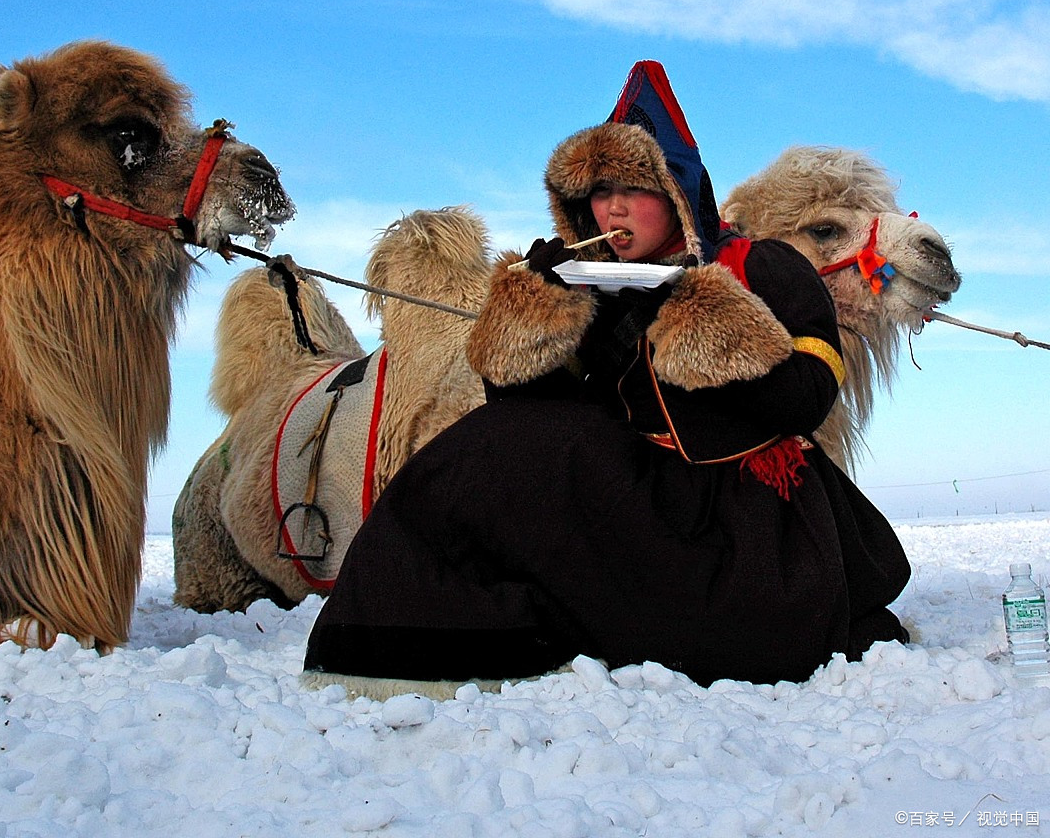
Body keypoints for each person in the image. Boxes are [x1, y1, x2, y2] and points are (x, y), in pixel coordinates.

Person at [302, 62, 910, 698]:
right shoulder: (593, 284)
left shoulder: (764, 265)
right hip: (630, 496)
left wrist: (702, 321)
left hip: (743, 507)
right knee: (478, 450)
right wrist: (533, 313)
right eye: (597, 192)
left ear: (677, 191)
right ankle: (401, 639)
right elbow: (525, 417)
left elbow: (807, 396)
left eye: (633, 188)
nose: (613, 207)